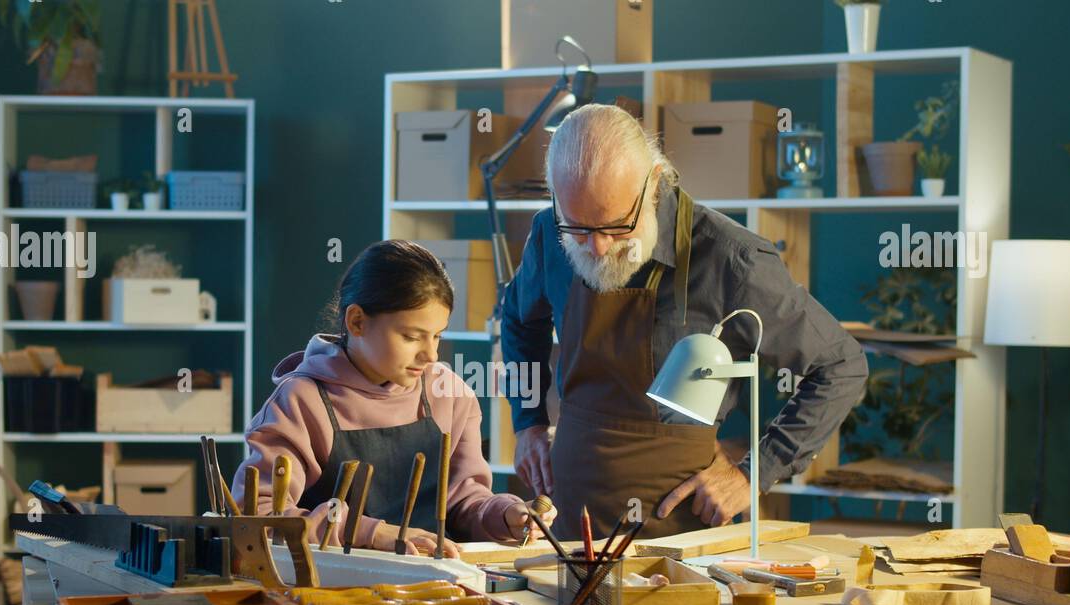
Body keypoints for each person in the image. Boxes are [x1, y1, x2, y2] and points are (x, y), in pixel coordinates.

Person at [501, 104, 868, 540]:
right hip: (571, 517)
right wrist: (528, 423)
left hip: (681, 529)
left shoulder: (732, 260)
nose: (596, 248)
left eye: (617, 227)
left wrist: (754, 474)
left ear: (654, 182)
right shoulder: (548, 232)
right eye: (578, 230)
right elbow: (519, 320)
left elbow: (841, 365)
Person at [233, 239, 555, 557]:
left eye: (437, 336)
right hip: (331, 590)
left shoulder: (451, 394)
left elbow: (462, 500)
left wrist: (503, 515)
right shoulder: (302, 402)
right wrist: (373, 534)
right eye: (411, 337)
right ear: (357, 321)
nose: (431, 354)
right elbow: (259, 517)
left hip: (429, 590)